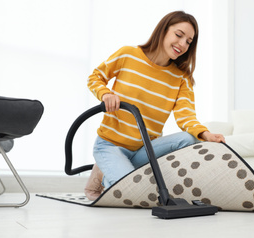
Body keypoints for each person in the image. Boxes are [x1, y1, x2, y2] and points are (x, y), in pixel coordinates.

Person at [84, 11, 225, 201]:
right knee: (130, 194)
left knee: (187, 139)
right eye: (179, 35)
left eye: (189, 41)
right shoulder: (128, 55)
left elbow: (186, 116)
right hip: (111, 146)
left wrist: (205, 134)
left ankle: (114, 171)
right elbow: (95, 77)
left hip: (145, 149)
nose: (183, 44)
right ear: (163, 31)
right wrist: (106, 93)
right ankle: (105, 172)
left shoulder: (181, 78)